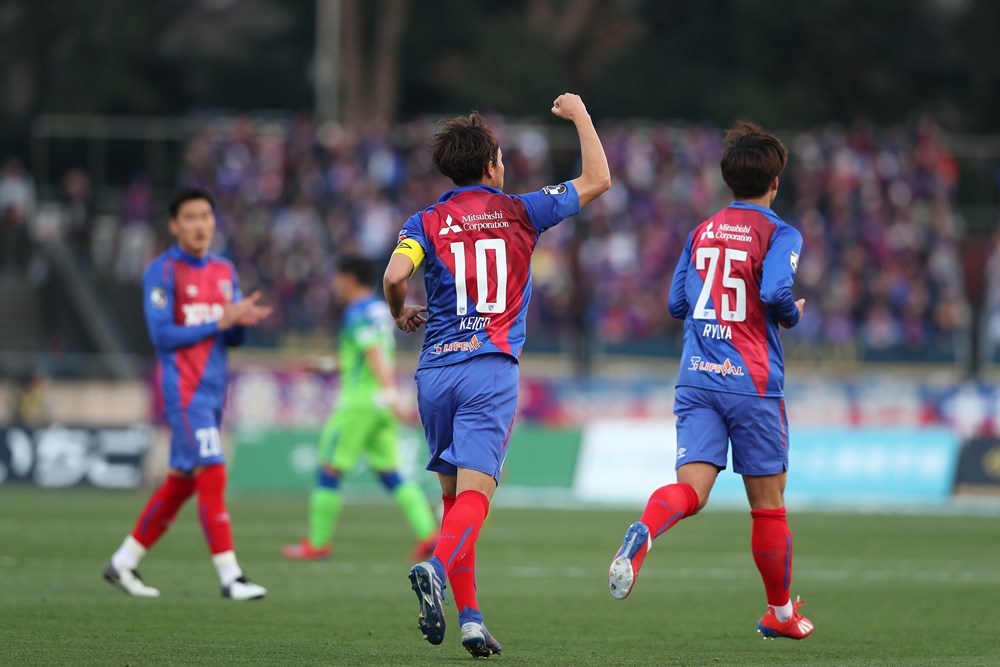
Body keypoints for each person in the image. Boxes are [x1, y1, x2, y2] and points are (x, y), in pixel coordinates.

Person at [383, 93, 610, 657]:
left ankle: (471, 619)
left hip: (435, 371)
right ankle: (435, 568)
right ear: (490, 165)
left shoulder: (425, 221)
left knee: (453, 501)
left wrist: (399, 312)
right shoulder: (522, 210)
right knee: (478, 495)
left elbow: (393, 276)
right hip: (488, 367)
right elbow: (597, 180)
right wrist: (580, 115)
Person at [607, 121, 813, 640]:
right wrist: (792, 313)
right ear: (775, 182)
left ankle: (645, 529)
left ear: (727, 182)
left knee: (691, 491)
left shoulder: (701, 231)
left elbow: (677, 303)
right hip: (751, 383)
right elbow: (775, 293)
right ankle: (781, 615)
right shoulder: (781, 233)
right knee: (768, 506)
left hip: (697, 377)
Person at [103, 185, 273, 600]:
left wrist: (239, 323)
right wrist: (219, 322)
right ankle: (231, 576)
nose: (200, 225)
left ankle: (123, 562)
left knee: (181, 483)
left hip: (214, 393)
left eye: (206, 216)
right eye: (191, 217)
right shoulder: (161, 271)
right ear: (174, 226)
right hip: (183, 391)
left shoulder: (224, 270)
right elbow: (162, 336)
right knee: (213, 470)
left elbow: (232, 338)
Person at [281, 255, 439, 562]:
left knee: (329, 468)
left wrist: (392, 394)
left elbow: (372, 353)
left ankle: (318, 542)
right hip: (379, 404)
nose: (335, 285)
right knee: (390, 473)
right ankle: (428, 533)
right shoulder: (379, 310)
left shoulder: (356, 312)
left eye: (337, 278)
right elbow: (361, 356)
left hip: (358, 405)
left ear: (348, 279)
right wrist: (323, 365)